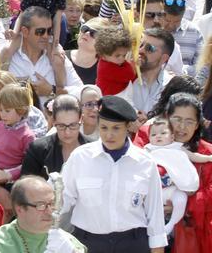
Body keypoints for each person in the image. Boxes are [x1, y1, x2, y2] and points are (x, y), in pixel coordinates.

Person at [61, 96, 167, 253]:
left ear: (128, 127)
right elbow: (63, 200)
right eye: (104, 128)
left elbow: (155, 214)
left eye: (116, 128)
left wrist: (157, 249)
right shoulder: (80, 157)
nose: (109, 135)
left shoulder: (145, 163)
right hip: (88, 243)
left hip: (133, 243)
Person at [0, 176, 86, 253]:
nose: (50, 211)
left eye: (52, 204)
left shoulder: (65, 242)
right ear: (20, 209)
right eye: (41, 205)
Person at [0, 84, 37, 216]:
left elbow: (28, 165)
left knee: (6, 210)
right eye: (1, 110)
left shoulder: (27, 136)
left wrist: (7, 174)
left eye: (8, 111)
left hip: (9, 182)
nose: (2, 114)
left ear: (21, 110)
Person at [143, 119, 201, 235]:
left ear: (172, 137)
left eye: (163, 133)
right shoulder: (147, 150)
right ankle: (151, 227)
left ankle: (170, 225)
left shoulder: (177, 148)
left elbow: (194, 156)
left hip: (173, 189)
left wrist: (209, 158)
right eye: (153, 134)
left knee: (181, 199)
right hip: (156, 191)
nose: (158, 136)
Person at [21, 94, 88, 179]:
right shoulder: (38, 149)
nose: (67, 132)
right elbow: (26, 184)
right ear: (53, 121)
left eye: (73, 125)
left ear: (81, 119)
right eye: (61, 126)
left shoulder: (92, 148)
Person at [94, 25, 136, 96]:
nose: (122, 59)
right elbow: (129, 75)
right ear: (103, 54)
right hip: (110, 100)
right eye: (117, 56)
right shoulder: (106, 68)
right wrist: (133, 65)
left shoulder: (111, 61)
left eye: (124, 55)